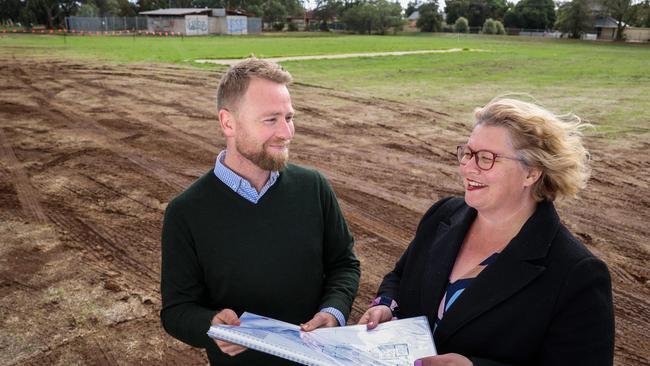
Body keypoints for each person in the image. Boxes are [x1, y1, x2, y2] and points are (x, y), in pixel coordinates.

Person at [359, 97, 614, 366]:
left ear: (532, 173)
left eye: (486, 159)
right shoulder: (443, 215)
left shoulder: (577, 273)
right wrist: (386, 304)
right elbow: (400, 277)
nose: (467, 167)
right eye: (468, 153)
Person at [160, 58, 360, 365]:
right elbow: (176, 311)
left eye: (289, 117)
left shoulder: (314, 188)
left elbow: (343, 264)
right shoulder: (185, 212)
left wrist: (333, 311)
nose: (286, 132)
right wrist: (210, 325)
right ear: (228, 122)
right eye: (270, 120)